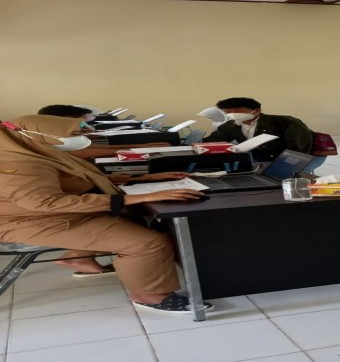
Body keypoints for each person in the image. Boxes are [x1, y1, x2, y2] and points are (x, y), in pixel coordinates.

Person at [0, 115, 212, 313]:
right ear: (37, 136)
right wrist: (134, 198)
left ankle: (80, 258)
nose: (78, 139)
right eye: (71, 135)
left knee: (140, 217)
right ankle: (149, 295)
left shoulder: (37, 152)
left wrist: (142, 179)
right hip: (34, 222)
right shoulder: (19, 164)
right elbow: (46, 202)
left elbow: (80, 179)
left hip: (53, 215)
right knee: (148, 243)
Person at [38, 104, 170, 159]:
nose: (84, 126)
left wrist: (139, 146)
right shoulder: (52, 137)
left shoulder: (56, 133)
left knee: (147, 157)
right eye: (81, 122)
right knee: (145, 158)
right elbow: (83, 152)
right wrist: (139, 151)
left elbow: (89, 147)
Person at [203, 97, 313, 162]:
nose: (232, 115)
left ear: (256, 111)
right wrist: (198, 145)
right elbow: (213, 140)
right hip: (255, 162)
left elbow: (298, 150)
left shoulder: (286, 122)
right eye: (227, 112)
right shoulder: (230, 125)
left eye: (237, 111)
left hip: (279, 161)